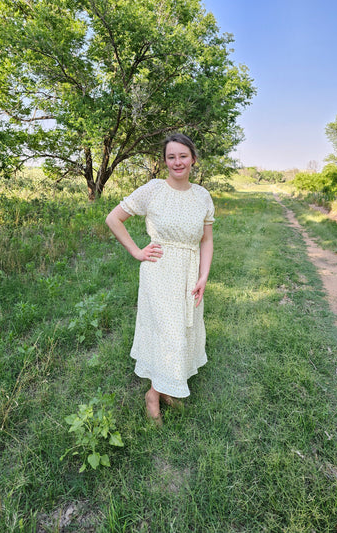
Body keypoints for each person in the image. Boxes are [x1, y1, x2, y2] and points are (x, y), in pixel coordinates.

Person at [106, 133, 214, 426]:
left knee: (183, 330)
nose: (177, 162)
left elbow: (206, 241)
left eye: (183, 156)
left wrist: (203, 276)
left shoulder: (202, 195)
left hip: (190, 272)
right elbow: (113, 218)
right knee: (169, 332)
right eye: (171, 157)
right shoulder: (153, 190)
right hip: (160, 270)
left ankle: (165, 388)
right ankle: (154, 394)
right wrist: (136, 251)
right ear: (164, 161)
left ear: (193, 158)